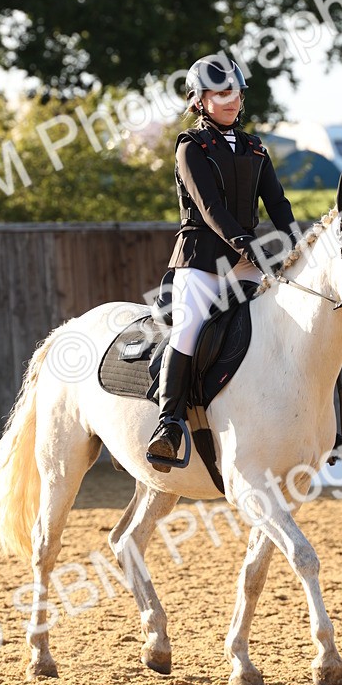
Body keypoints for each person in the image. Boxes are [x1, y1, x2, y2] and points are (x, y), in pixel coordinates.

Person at [146, 54, 301, 471]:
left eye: (236, 92)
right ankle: (169, 424)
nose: (232, 100)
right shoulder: (190, 147)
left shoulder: (254, 146)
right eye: (221, 93)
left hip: (247, 260)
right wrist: (248, 245)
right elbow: (210, 207)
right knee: (189, 327)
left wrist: (297, 241)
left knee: (289, 321)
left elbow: (277, 201)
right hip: (201, 257)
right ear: (199, 100)